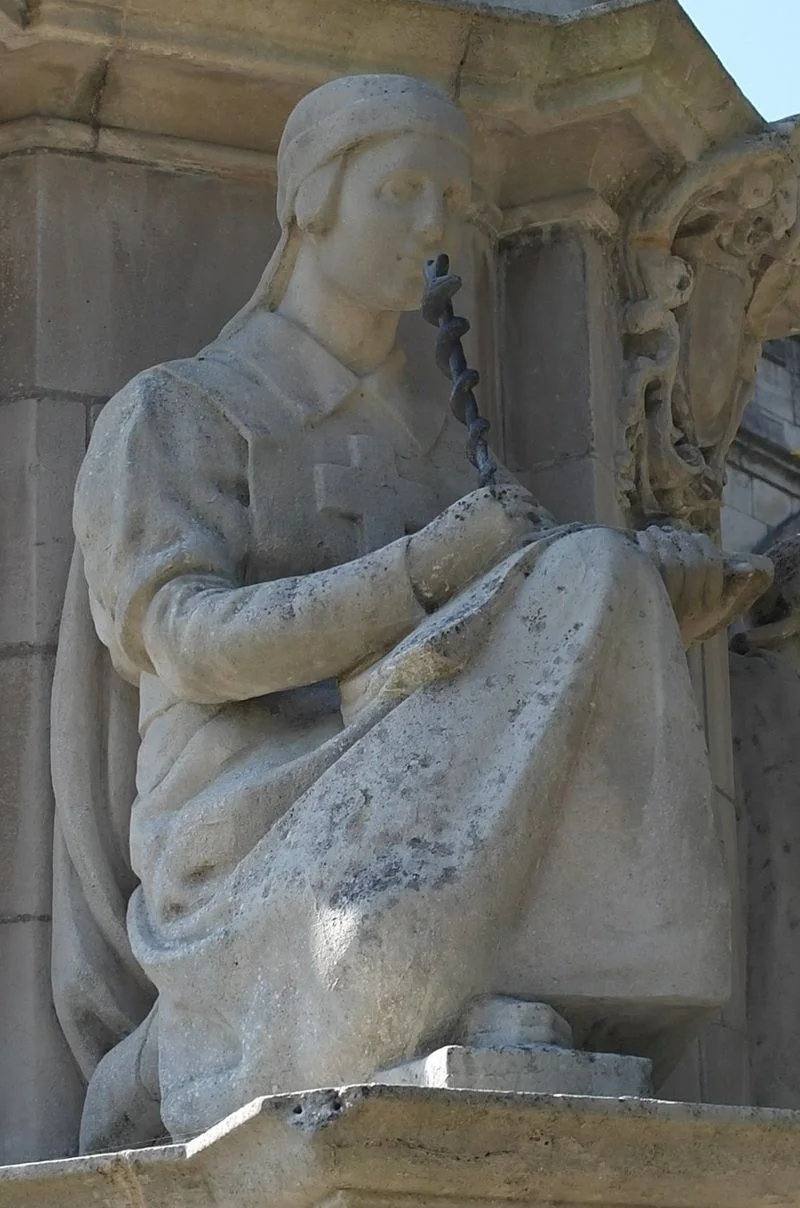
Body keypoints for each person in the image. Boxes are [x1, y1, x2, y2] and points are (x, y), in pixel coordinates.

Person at [51, 74, 768, 1152]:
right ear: (309, 202)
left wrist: (656, 597)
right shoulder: (181, 410)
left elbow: (495, 632)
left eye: (453, 201)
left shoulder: (440, 436)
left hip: (413, 756)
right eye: (401, 190)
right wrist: (422, 570)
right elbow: (187, 641)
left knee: (597, 578)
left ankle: (539, 977)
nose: (434, 227)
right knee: (575, 578)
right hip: (254, 819)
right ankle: (198, 1031)